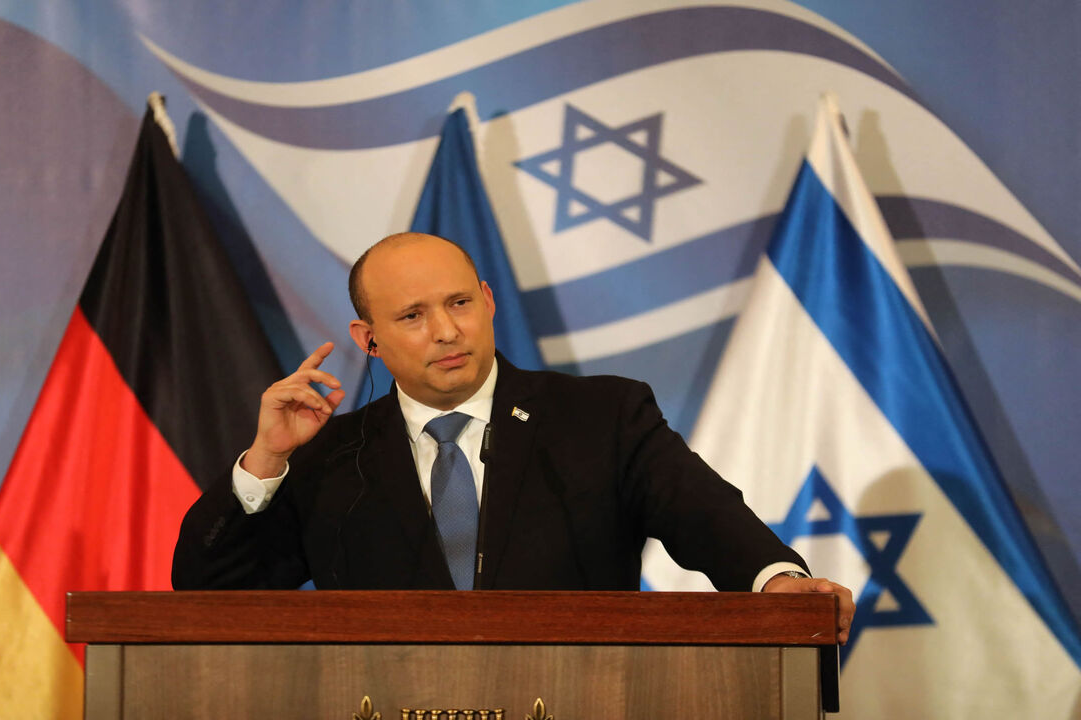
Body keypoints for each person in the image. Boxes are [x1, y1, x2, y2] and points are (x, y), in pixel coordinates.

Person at [173, 232, 854, 643]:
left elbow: (702, 512)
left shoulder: (602, 417)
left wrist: (774, 581)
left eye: (460, 303)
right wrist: (265, 460)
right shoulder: (328, 456)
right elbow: (207, 593)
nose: (447, 331)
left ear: (488, 301)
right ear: (368, 338)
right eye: (412, 316)